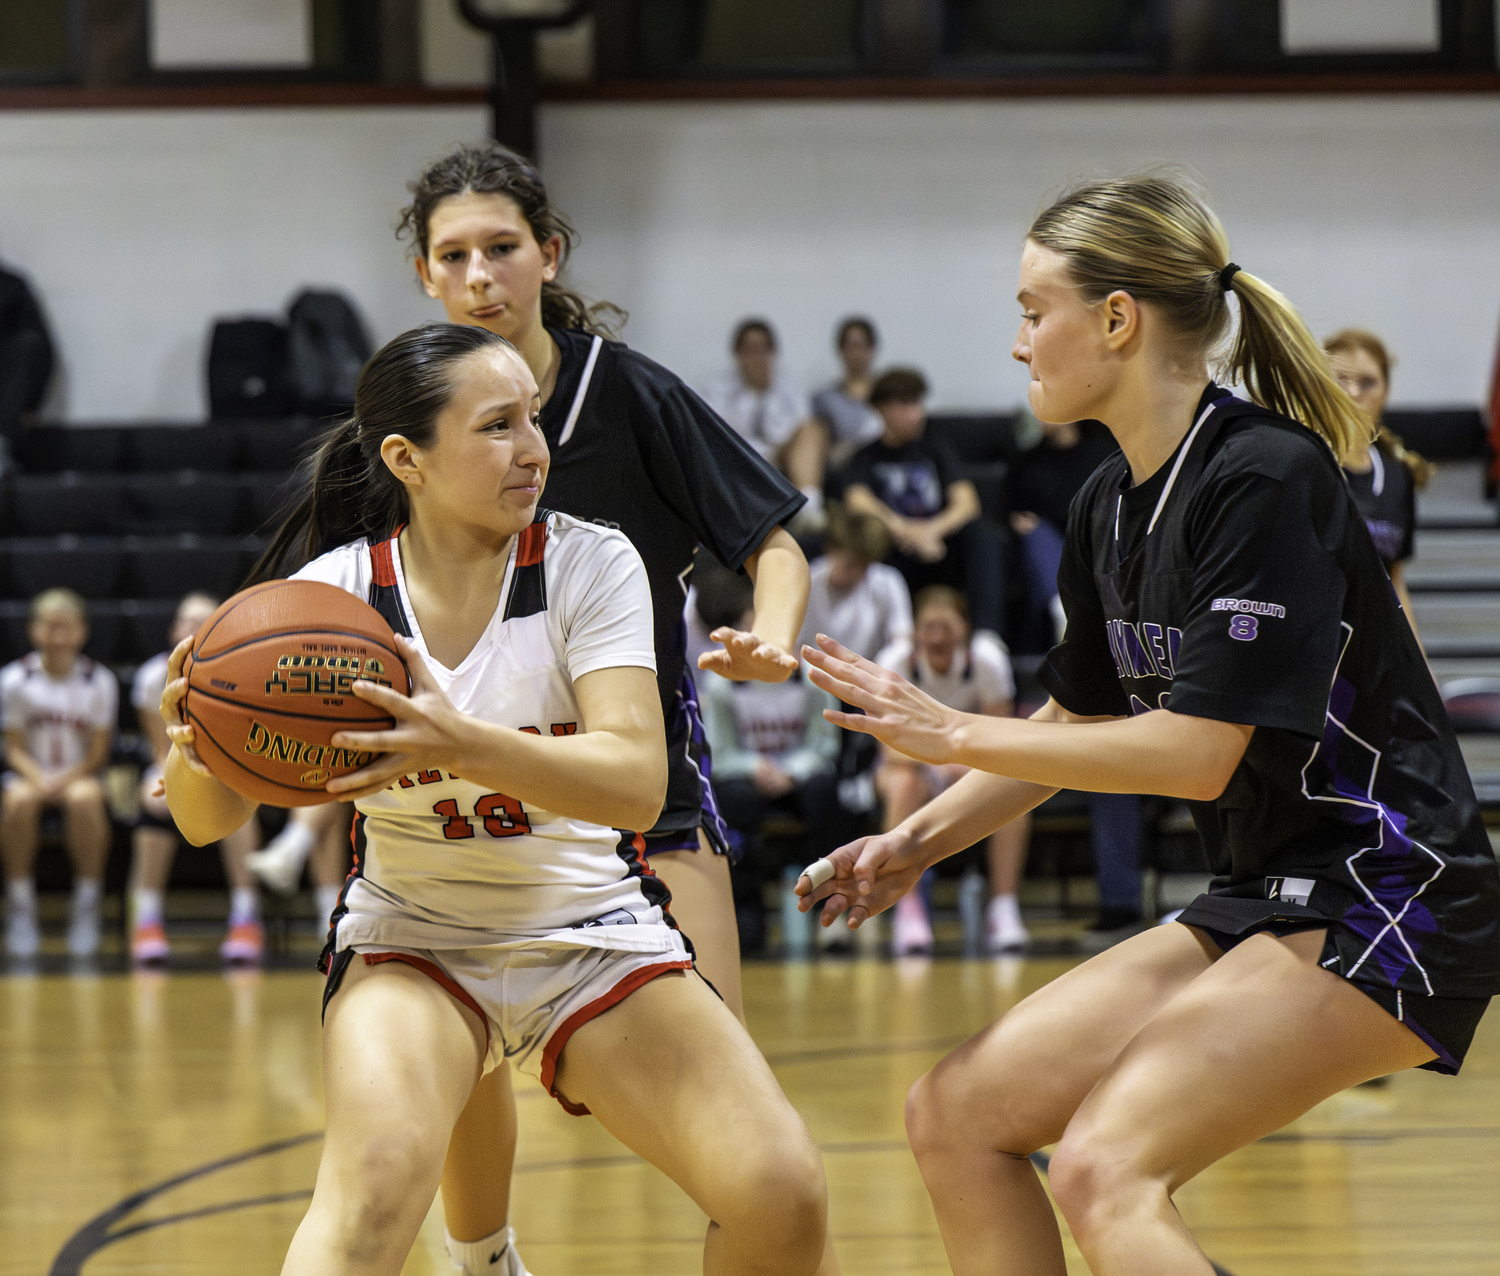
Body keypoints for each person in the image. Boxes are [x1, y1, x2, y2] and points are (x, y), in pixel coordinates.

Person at [797, 175, 1499, 1275]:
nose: (1021, 341)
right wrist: (913, 845)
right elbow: (1077, 715)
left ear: (1116, 319)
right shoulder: (1108, 499)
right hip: (1266, 892)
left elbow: (1193, 750)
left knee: (1100, 1168)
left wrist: (953, 734)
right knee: (955, 1114)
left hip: (1389, 888)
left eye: (1036, 310)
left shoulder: (1263, 474)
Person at [163, 323, 829, 1276]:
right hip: (414, 937)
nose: (533, 448)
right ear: (407, 460)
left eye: (535, 418)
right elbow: (203, 818)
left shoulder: (593, 563)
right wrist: (192, 735)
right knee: (373, 1195)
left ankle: (484, 1255)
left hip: (589, 927)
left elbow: (638, 786)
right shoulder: (331, 599)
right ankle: (485, 1260)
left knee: (783, 1191)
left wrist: (458, 742)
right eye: (497, 426)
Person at [397, 143, 824, 1275]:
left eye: (503, 247)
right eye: (456, 255)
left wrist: (774, 633)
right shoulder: (408, 418)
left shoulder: (625, 393)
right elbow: (314, 601)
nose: (483, 273)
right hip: (464, 808)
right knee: (459, 1047)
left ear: (550, 253)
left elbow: (774, 541)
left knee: (746, 1140)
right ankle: (481, 1257)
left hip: (643, 798)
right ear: (425, 276)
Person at [872, 586, 1029, 954]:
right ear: (915, 632)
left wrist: (964, 763)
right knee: (903, 786)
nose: (938, 637)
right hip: (909, 764)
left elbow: (1001, 739)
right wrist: (943, 760)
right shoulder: (894, 662)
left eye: (948, 627)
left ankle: (1004, 907)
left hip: (972, 765)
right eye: (929, 627)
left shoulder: (988, 661)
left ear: (966, 630)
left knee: (1013, 786)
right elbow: (888, 748)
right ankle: (907, 909)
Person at [699, 576, 842, 951]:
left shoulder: (813, 679)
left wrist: (791, 772)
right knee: (733, 800)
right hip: (748, 779)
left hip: (799, 777)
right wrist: (755, 767)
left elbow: (825, 747)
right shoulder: (723, 684)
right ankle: (747, 915)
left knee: (825, 792)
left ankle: (830, 914)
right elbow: (720, 754)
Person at [129, 592, 264, 964]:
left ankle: (246, 915)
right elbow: (161, 748)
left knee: (236, 796)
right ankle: (147, 918)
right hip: (174, 764)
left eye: (205, 619)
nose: (196, 627)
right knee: (154, 798)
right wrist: (176, 779)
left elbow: (244, 746)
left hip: (228, 767)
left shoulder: (244, 670)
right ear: (174, 630)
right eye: (188, 620)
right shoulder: (151, 676)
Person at [843, 368, 1006, 639]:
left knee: (983, 536)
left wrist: (931, 531)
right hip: (896, 548)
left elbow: (967, 503)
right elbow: (857, 502)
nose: (917, 413)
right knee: (870, 539)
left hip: (940, 546)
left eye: (918, 403)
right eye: (906, 404)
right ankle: (895, 641)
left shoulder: (936, 449)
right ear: (883, 409)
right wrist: (907, 531)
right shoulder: (866, 457)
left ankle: (987, 637)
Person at [2, 588, 116, 958]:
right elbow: (13, 747)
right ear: (34, 631)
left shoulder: (99, 681)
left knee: (85, 799)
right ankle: (21, 905)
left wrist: (65, 779)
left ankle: (86, 903)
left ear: (82, 631)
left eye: (66, 627)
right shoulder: (14, 679)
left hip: (79, 774)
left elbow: (99, 752)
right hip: (29, 773)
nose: (58, 636)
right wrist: (38, 778)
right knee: (17, 800)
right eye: (50, 627)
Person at [1324, 328, 1431, 645]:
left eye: (1367, 382)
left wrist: (1420, 671)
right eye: (1340, 379)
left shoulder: (1398, 476)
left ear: (1385, 391)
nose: (1353, 392)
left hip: (1372, 653)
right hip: (1311, 651)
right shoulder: (1303, 464)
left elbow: (1395, 581)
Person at [703, 318, 825, 516]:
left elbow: (800, 430)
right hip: (738, 459)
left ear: (772, 353)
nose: (757, 357)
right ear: (738, 354)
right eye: (750, 350)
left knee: (815, 428)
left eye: (763, 350)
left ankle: (810, 509)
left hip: (779, 456)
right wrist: (753, 393)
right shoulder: (717, 391)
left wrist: (766, 392)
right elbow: (714, 436)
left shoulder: (789, 388)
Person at [796, 503, 912, 662]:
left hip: (867, 677)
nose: (858, 573)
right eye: (851, 564)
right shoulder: (806, 581)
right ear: (830, 550)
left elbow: (902, 641)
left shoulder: (888, 581)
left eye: (864, 566)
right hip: (812, 676)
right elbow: (792, 645)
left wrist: (881, 668)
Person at [808, 316, 885, 484]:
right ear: (840, 350)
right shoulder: (825, 399)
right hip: (848, 468)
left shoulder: (889, 393)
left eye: (862, 346)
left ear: (872, 349)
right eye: (851, 346)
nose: (857, 353)